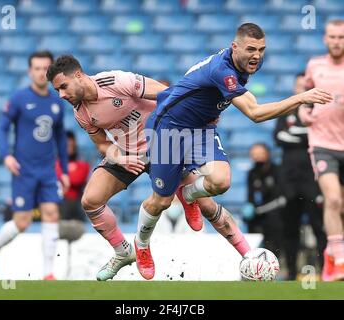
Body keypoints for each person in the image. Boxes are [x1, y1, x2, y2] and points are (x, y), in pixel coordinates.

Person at [133, 23, 333, 280]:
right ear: (234, 47)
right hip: (168, 130)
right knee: (160, 200)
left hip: (200, 129)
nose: (257, 55)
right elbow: (255, 113)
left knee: (221, 181)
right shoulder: (223, 70)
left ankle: (188, 194)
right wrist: (300, 98)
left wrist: (210, 110)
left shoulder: (242, 64)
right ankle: (141, 244)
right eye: (251, 49)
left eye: (261, 50)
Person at [46, 55, 251, 281]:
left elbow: (172, 93)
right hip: (128, 153)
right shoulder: (80, 112)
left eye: (63, 87)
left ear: (78, 75)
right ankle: (124, 252)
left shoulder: (116, 81)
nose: (61, 95)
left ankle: (249, 256)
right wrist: (121, 158)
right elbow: (103, 144)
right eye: (57, 91)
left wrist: (200, 113)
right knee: (90, 200)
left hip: (162, 144)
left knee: (208, 206)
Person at [0, 51, 70, 280]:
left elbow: (60, 138)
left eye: (45, 68)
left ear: (51, 72)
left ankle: (48, 273)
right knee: (22, 221)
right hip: (24, 170)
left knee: (51, 214)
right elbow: (2, 128)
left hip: (48, 170)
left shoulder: (57, 101)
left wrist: (65, 169)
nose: (42, 73)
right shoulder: (19, 98)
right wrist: (6, 156)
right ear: (30, 71)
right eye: (37, 68)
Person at [298, 20, 344, 281]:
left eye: (341, 37)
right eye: (333, 37)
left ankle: (331, 254)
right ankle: (338, 260)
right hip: (323, 144)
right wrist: (303, 112)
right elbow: (305, 97)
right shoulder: (315, 66)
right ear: (326, 39)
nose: (337, 41)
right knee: (333, 200)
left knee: (341, 206)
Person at [274, 73, 326, 280]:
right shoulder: (285, 108)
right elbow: (279, 137)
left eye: (306, 86)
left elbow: (321, 136)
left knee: (319, 227)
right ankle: (291, 272)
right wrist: (306, 134)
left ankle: (326, 271)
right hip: (289, 180)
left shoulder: (320, 110)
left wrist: (295, 133)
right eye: (299, 85)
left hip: (314, 178)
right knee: (289, 228)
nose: (302, 89)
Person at [245, 143, 284, 258]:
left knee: (275, 223)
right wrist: (250, 208)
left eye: (260, 154)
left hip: (276, 212)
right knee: (249, 220)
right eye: (254, 155)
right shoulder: (252, 173)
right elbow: (250, 196)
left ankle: (276, 260)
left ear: (267, 154)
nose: (257, 157)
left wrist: (260, 210)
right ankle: (253, 260)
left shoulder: (277, 170)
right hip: (258, 212)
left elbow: (280, 198)